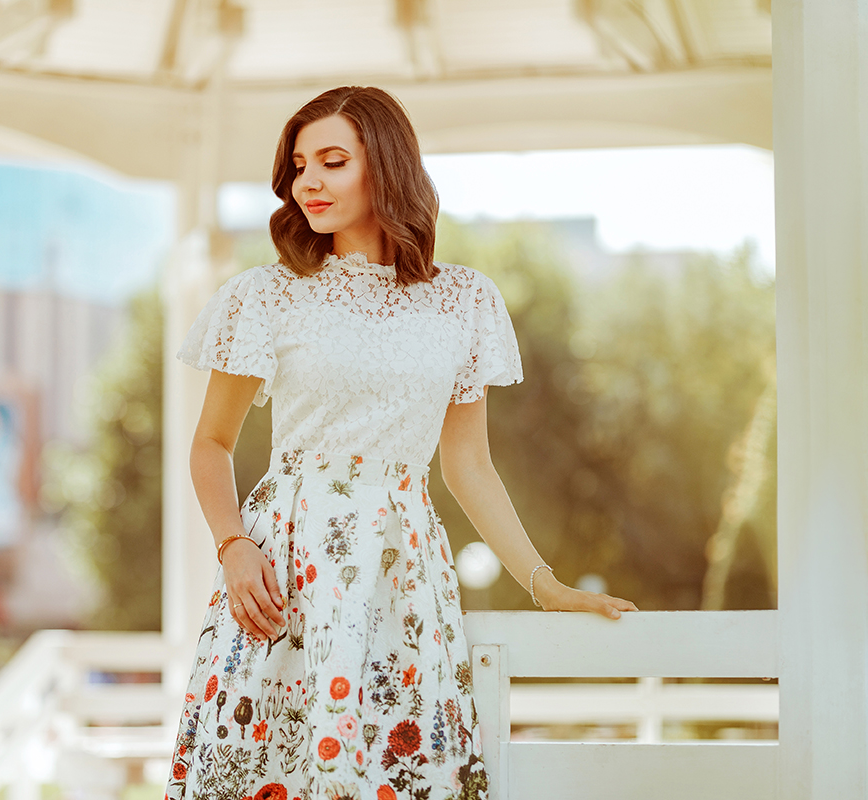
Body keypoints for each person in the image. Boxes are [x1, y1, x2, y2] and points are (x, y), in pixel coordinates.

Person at [165, 86, 637, 800]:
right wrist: (234, 547)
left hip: (402, 574)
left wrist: (545, 585)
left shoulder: (463, 302)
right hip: (281, 574)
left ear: (384, 167)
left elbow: (469, 466)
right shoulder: (267, 295)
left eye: (331, 161)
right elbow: (211, 444)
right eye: (299, 166)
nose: (309, 183)